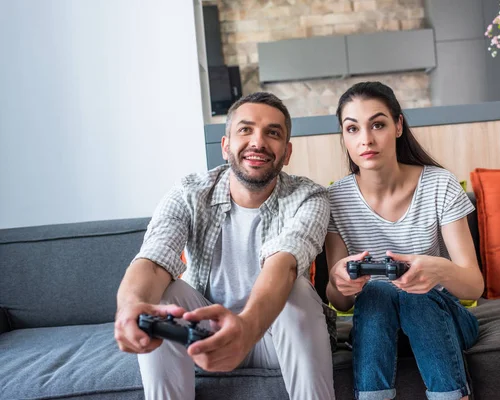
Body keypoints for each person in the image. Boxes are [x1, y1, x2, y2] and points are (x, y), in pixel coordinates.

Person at [114, 92, 335, 400]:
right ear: (225, 145)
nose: (258, 142)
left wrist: (245, 329)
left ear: (287, 152)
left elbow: (284, 263)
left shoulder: (309, 197)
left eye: (272, 133)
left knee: (295, 289)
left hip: (273, 335)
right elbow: (154, 259)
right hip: (206, 337)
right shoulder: (189, 194)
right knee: (165, 295)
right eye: (245, 129)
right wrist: (130, 308)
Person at [325, 82, 483, 400]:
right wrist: (340, 281)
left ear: (398, 126)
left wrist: (435, 270)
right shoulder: (334, 199)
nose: (366, 139)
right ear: (343, 136)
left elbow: (474, 286)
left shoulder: (439, 184)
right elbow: (340, 303)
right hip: (376, 329)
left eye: (378, 124)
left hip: (444, 320)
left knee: (413, 290)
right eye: (352, 128)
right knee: (380, 289)